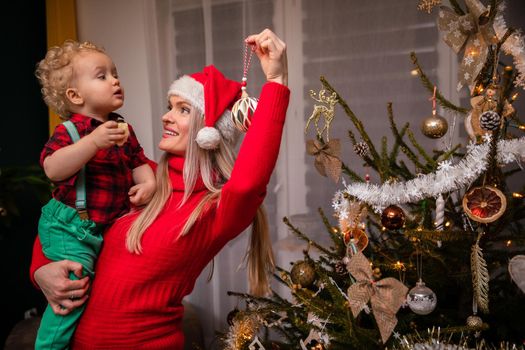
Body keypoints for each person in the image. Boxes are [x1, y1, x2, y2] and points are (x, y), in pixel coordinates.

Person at [30, 28, 289, 348]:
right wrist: (41, 270)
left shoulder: (213, 207)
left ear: (209, 131)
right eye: (169, 106)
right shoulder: (142, 181)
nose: (166, 117)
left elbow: (249, 182)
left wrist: (276, 82)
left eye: (182, 109)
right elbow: (65, 215)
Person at [33, 40, 156, 349]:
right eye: (102, 76)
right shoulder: (70, 132)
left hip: (100, 227)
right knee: (73, 290)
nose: (115, 80)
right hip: (69, 225)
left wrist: (149, 183)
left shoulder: (122, 127)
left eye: (115, 73)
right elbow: (52, 169)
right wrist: (92, 143)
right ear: (75, 95)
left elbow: (139, 161)